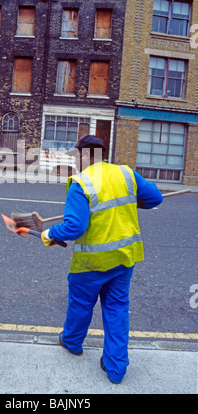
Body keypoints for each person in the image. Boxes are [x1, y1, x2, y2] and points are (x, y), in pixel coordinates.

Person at [41, 135, 163, 384]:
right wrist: (129, 203)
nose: (75, 161)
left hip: (91, 263)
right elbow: (155, 199)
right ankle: (116, 368)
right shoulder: (126, 174)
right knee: (117, 308)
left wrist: (50, 233)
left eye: (76, 155)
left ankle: (73, 343)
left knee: (81, 303)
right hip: (124, 259)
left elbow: (74, 227)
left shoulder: (81, 182)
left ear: (87, 154)